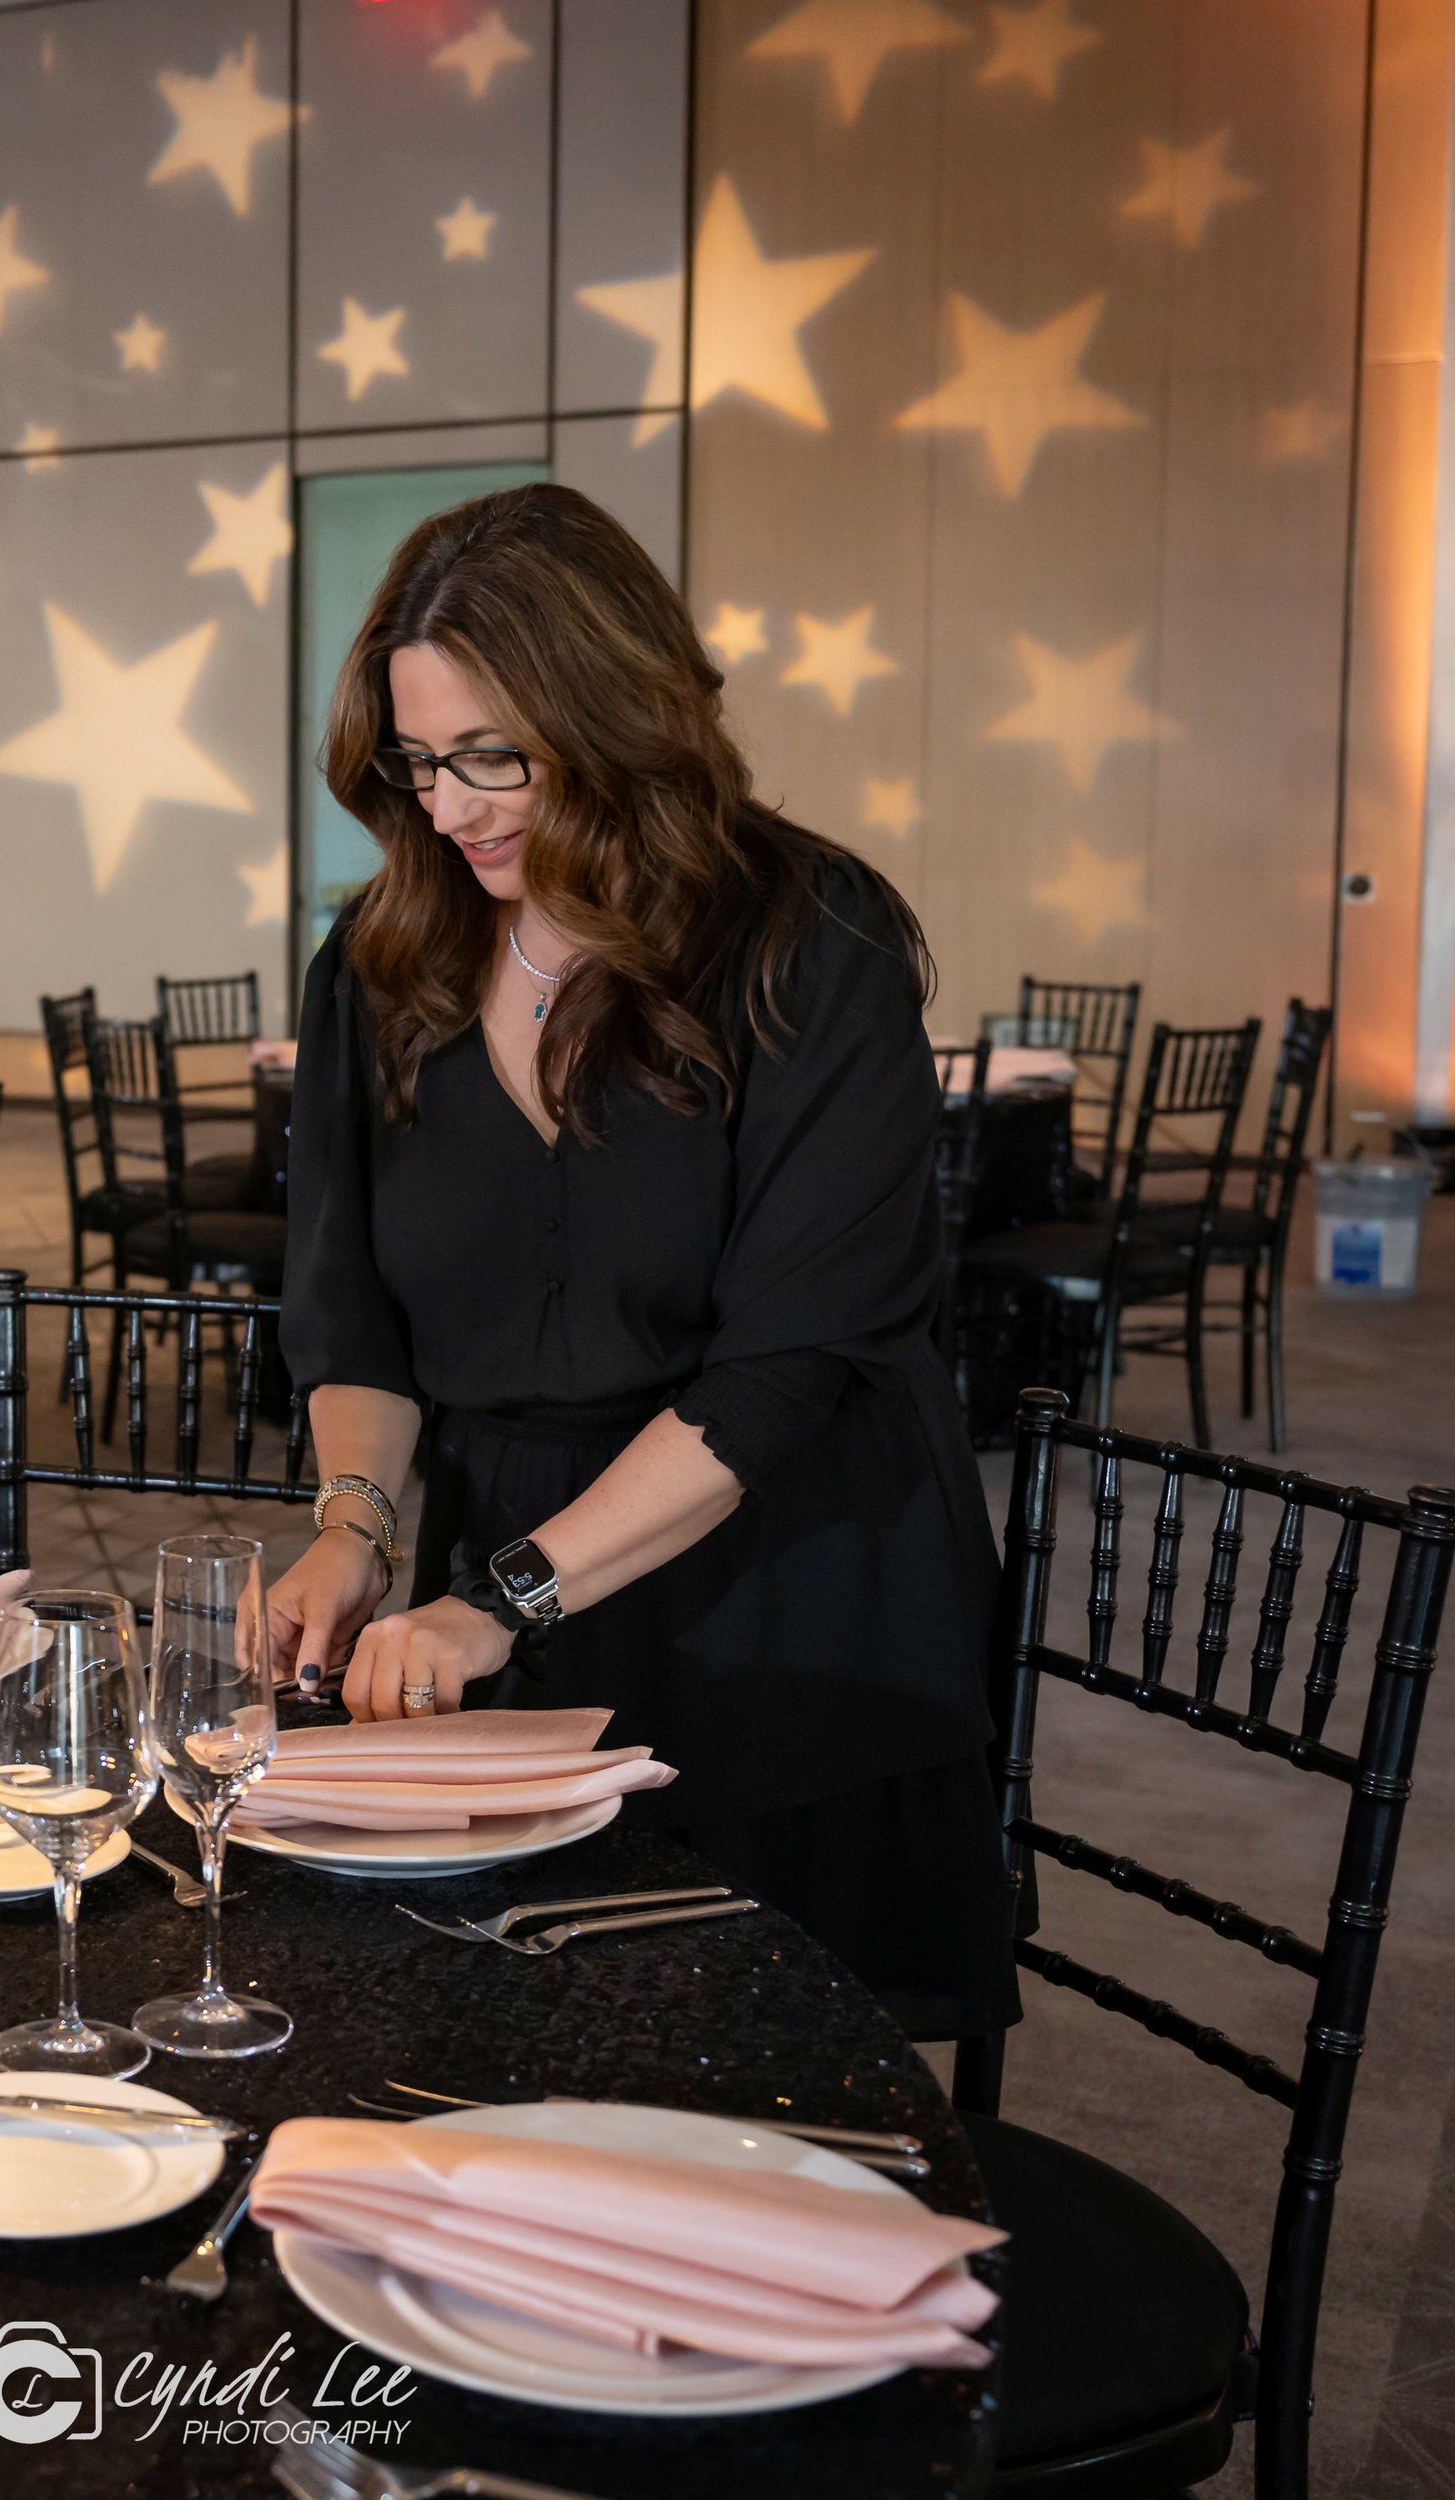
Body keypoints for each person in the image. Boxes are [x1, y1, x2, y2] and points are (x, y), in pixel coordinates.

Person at [268, 483, 1015, 2041]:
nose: (454, 809)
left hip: (788, 1598)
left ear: (618, 716)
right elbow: (358, 1311)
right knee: (493, 2058)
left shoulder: (813, 940)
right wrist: (353, 1526)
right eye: (419, 764)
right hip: (502, 1588)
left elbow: (790, 1368)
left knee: (763, 2107)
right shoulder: (386, 959)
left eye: (497, 759)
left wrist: (500, 1598)